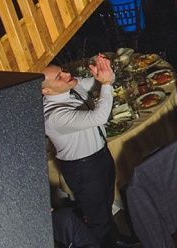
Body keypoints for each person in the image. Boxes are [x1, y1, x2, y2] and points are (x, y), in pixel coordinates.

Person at [42, 55, 121, 248]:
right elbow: (99, 116)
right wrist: (106, 84)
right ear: (46, 90)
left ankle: (115, 238)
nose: (68, 74)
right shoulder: (53, 116)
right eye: (59, 76)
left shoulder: (71, 86)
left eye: (63, 70)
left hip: (100, 155)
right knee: (97, 218)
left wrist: (105, 74)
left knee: (106, 203)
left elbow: (102, 82)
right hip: (83, 169)